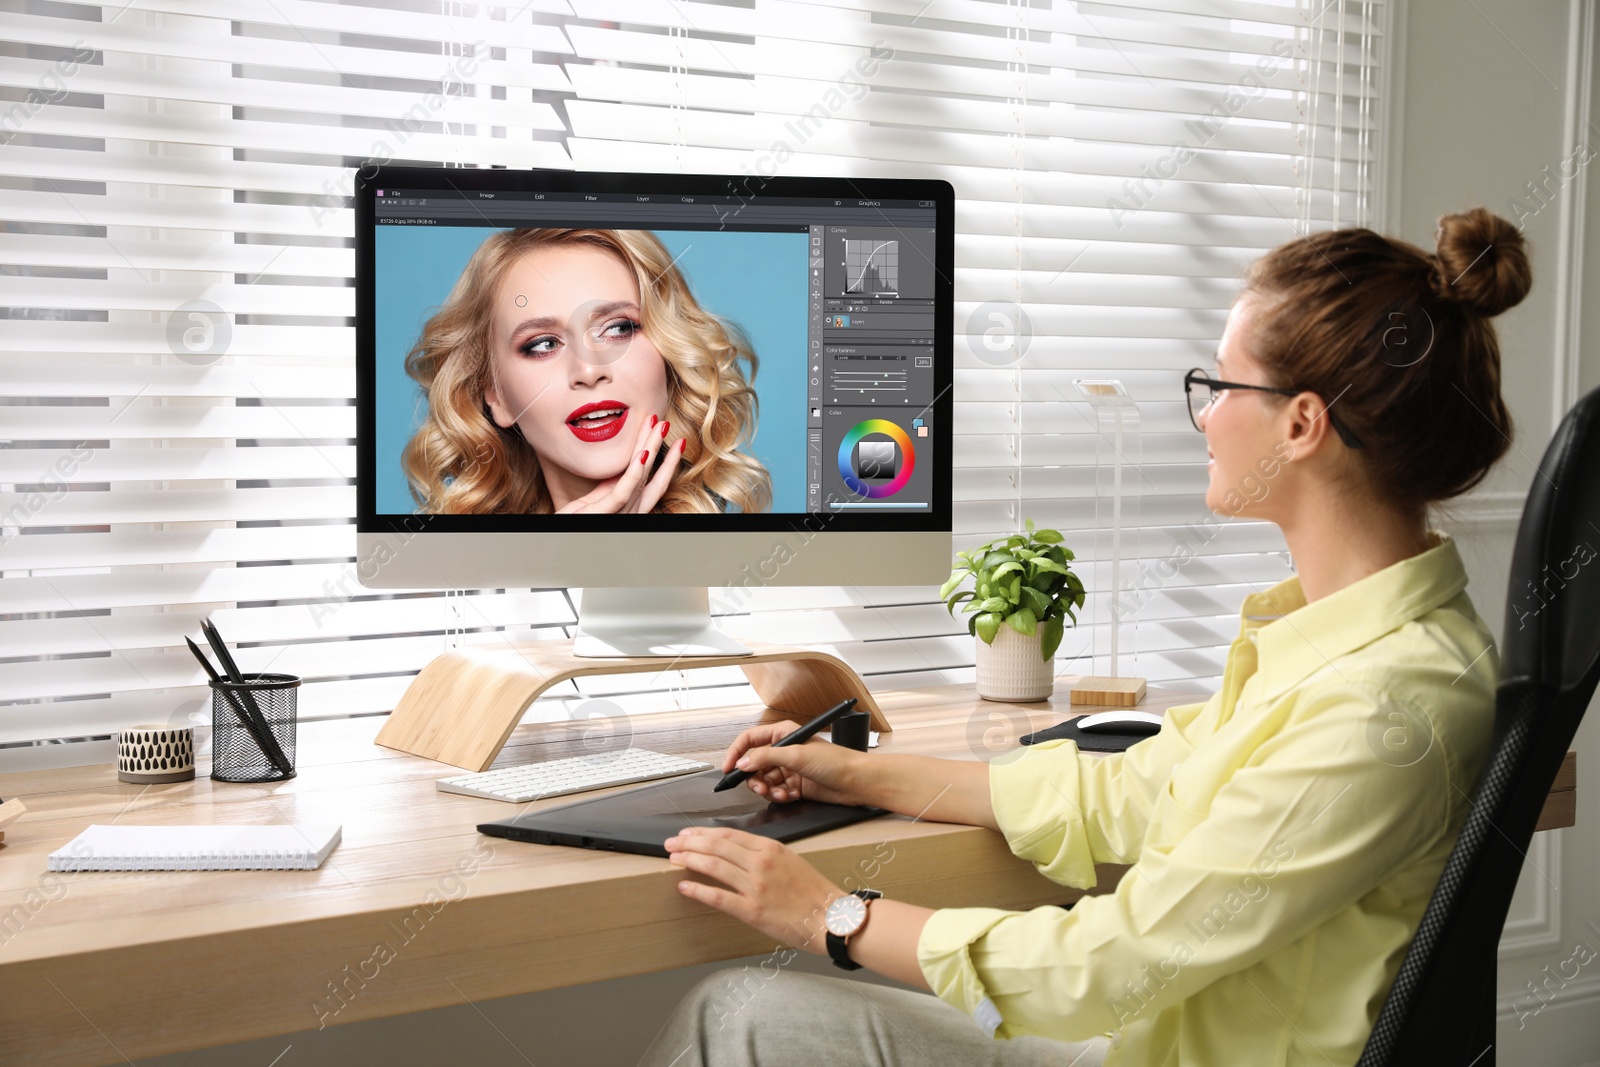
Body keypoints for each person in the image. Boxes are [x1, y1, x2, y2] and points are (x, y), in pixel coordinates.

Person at [637, 207, 1531, 1067]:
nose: (1206, 414)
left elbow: (1117, 961)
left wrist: (832, 915)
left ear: (1301, 424)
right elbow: (1124, 787)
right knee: (740, 1012)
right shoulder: (1339, 642)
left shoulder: (1381, 703)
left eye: (1218, 385)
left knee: (736, 1020)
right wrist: (853, 771)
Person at [402, 227, 772, 514]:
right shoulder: (454, 591)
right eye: (543, 344)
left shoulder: (753, 582)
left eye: (618, 328)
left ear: (669, 354)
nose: (588, 369)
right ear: (496, 396)